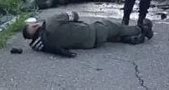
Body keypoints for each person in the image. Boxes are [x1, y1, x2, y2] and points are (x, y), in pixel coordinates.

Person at [22, 11, 154, 57]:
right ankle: (141, 30)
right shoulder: (51, 22)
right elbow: (74, 15)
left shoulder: (44, 44)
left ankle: (130, 39)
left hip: (89, 44)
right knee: (113, 26)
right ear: (34, 25)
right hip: (94, 32)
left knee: (108, 35)